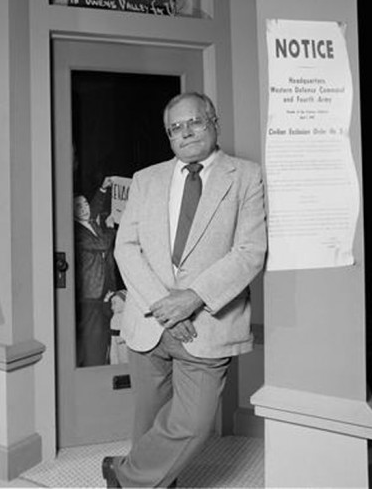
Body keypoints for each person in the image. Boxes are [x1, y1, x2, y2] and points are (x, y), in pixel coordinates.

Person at [102, 92, 267, 487]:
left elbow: (250, 251)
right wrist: (165, 307)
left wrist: (191, 299)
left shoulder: (246, 175)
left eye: (194, 121)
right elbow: (126, 248)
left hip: (207, 321)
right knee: (149, 419)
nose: (185, 131)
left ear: (214, 122)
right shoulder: (147, 179)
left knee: (193, 423)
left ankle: (122, 476)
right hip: (149, 320)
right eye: (175, 127)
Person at [73, 184, 118, 367]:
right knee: (94, 337)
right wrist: (110, 228)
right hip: (91, 295)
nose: (83, 208)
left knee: (104, 334)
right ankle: (94, 368)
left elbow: (96, 207)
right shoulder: (75, 230)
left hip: (104, 290)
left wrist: (102, 189)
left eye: (85, 204)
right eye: (77, 206)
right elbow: (102, 244)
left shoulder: (91, 222)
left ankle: (101, 362)